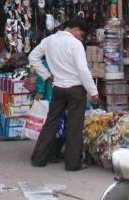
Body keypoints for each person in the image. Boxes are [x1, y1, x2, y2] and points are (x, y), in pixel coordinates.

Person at [28, 17, 99, 171]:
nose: (81, 37)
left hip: (58, 87)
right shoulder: (75, 44)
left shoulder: (49, 40)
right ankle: (72, 163)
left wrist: (46, 74)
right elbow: (82, 69)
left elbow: (32, 57)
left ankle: (38, 158)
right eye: (81, 34)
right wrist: (93, 91)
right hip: (75, 89)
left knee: (50, 123)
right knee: (74, 126)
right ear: (76, 30)